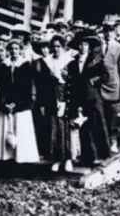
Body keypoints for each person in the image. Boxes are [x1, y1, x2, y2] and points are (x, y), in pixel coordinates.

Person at [0, 40, 40, 164]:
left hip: (21, 103)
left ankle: (21, 157)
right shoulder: (4, 65)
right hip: (6, 103)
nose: (14, 51)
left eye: (16, 48)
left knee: (21, 130)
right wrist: (5, 103)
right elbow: (1, 87)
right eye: (11, 49)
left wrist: (15, 104)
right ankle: (6, 156)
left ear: (20, 50)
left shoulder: (26, 65)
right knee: (6, 129)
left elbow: (25, 88)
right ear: (8, 50)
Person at [67, 33, 111, 165]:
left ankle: (100, 155)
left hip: (92, 96)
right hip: (78, 96)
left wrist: (94, 80)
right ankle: (87, 156)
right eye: (80, 45)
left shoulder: (95, 60)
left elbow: (105, 75)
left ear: (89, 46)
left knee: (96, 123)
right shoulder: (73, 63)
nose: (83, 47)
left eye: (85, 44)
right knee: (83, 125)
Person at [43, 35, 75, 172]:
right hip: (51, 95)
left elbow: (72, 82)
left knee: (65, 128)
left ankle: (67, 159)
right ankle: (56, 159)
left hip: (64, 95)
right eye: (54, 46)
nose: (56, 49)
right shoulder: (47, 61)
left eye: (59, 46)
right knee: (53, 128)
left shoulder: (68, 61)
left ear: (63, 47)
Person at [100, 22, 120, 153]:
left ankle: (114, 141)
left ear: (114, 32)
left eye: (110, 31)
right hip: (100, 85)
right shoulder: (98, 46)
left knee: (113, 116)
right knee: (101, 115)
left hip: (113, 86)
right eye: (106, 31)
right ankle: (103, 142)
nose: (108, 34)